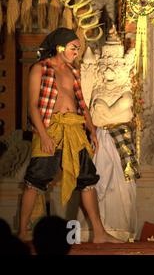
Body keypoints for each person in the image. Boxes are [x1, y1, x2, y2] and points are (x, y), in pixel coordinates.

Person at [18, 27, 121, 243]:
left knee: (87, 178)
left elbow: (81, 103)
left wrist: (91, 129)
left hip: (74, 130)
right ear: (60, 47)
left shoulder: (73, 71)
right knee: (36, 179)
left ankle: (99, 233)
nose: (77, 52)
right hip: (51, 129)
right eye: (74, 48)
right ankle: (23, 231)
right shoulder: (40, 69)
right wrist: (44, 136)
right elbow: (33, 107)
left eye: (78, 48)